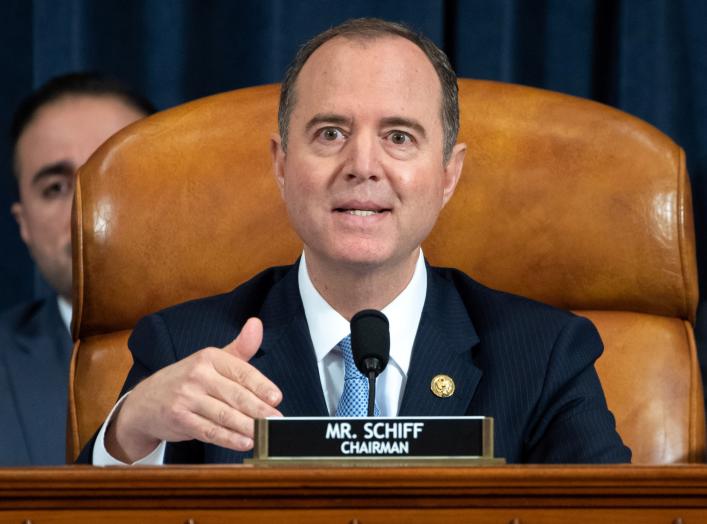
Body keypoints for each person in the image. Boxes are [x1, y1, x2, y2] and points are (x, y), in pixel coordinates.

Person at [86, 18, 631, 465]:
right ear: (281, 164)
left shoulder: (543, 356)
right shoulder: (185, 347)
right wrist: (130, 431)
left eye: (398, 137)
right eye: (330, 134)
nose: (363, 167)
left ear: (448, 174)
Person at [0, 73, 155, 465]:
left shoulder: (269, 336)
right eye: (55, 188)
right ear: (23, 224)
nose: (85, 209)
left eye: (113, 174)